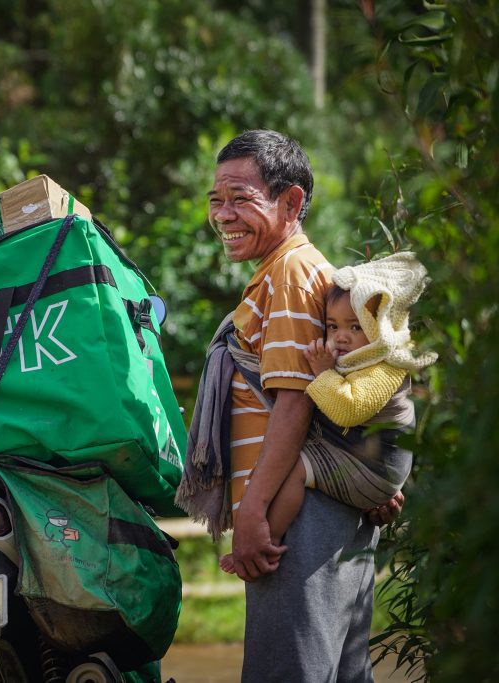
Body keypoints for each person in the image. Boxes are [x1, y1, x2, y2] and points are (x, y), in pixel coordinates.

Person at [176, 129, 403, 682]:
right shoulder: (279, 274)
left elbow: (296, 401)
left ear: (291, 202)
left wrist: (254, 512)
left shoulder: (293, 273)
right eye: (216, 200)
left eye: (240, 199)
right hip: (312, 510)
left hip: (298, 518)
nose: (223, 215)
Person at [218, 252, 436, 576]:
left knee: (292, 467)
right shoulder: (358, 358)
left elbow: (348, 409)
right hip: (367, 463)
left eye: (356, 326)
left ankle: (264, 540)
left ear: (382, 328)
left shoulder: (387, 366)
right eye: (332, 326)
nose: (341, 336)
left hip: (374, 470)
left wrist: (322, 374)